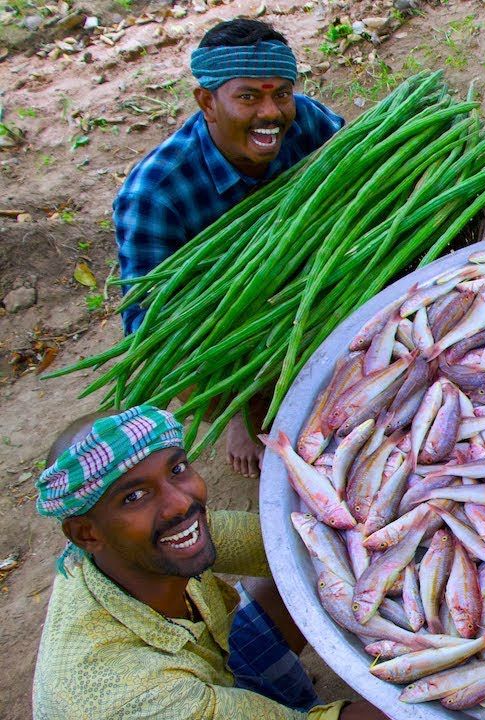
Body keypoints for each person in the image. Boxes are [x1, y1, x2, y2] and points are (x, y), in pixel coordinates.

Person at [30, 406, 388, 720]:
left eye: (177, 469)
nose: (180, 504)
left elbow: (285, 547)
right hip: (174, 703)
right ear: (86, 534)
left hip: (210, 673)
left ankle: (262, 688)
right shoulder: (130, 693)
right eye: (134, 496)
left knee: (293, 571)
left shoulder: (144, 543)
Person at [113, 19, 345, 477]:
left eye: (281, 93)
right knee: (180, 345)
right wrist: (233, 410)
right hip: (224, 322)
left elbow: (370, 187)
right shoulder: (155, 194)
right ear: (207, 102)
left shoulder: (308, 122)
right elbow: (149, 327)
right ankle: (242, 403)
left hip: (320, 280)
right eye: (248, 97)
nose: (271, 113)